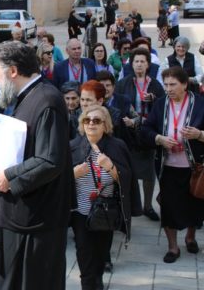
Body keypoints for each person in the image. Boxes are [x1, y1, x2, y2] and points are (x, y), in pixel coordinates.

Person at [0, 41, 73, 290]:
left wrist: (9, 176)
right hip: (18, 215)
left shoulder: (47, 100)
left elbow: (50, 160)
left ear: (13, 71)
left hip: (37, 220)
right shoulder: (27, 97)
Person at [70, 105, 139, 290]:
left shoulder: (117, 146)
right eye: (87, 120)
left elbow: (127, 179)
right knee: (84, 253)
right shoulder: (73, 147)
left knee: (101, 252)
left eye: (96, 120)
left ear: (105, 125)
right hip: (81, 212)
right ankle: (88, 284)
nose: (91, 124)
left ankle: (98, 279)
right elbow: (59, 180)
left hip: (106, 211)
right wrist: (73, 174)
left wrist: (111, 167)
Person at [141, 66, 204, 263]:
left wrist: (199, 135)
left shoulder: (200, 103)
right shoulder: (160, 104)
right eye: (166, 85)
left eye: (173, 85)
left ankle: (190, 237)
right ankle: (172, 247)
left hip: (195, 168)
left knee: (194, 205)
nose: (168, 89)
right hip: (167, 166)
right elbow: (146, 129)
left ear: (185, 84)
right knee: (169, 207)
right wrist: (159, 139)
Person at [115, 48, 165, 221]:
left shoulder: (155, 85)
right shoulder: (124, 83)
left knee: (149, 173)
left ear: (148, 64)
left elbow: (162, 106)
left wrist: (154, 99)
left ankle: (148, 206)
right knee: (129, 172)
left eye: (142, 61)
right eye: (136, 61)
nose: (139, 64)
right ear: (131, 64)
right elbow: (119, 104)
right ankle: (130, 204)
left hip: (148, 132)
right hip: (128, 133)